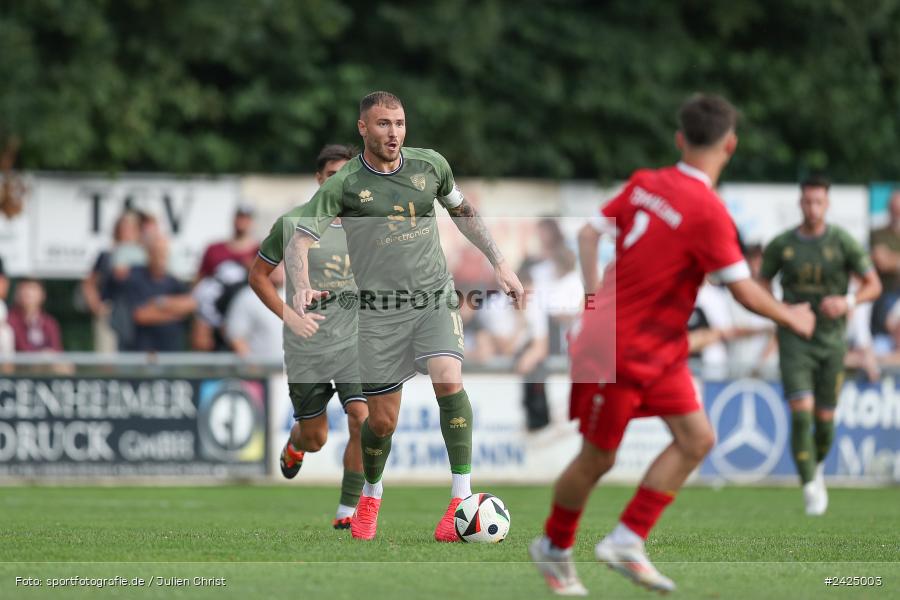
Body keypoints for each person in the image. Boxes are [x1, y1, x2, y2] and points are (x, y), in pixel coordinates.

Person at [530, 94, 816, 595]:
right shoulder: (709, 211)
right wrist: (792, 315)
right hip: (617, 346)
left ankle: (625, 539)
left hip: (657, 347)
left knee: (697, 438)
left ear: (681, 139)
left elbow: (589, 234)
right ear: (731, 144)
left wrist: (595, 296)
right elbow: (744, 291)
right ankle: (553, 548)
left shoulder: (646, 182)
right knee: (599, 458)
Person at [288, 91, 523, 542]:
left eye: (399, 123)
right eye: (382, 124)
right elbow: (299, 241)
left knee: (448, 379)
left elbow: (464, 212)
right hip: (378, 313)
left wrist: (500, 262)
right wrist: (300, 284)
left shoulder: (430, 165)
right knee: (381, 423)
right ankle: (371, 495)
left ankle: (460, 498)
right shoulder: (344, 184)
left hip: (434, 297)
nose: (393, 132)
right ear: (363, 128)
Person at [249, 143, 368, 529]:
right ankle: (295, 444)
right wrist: (290, 316)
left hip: (354, 342)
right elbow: (258, 277)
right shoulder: (292, 223)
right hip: (307, 346)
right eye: (333, 175)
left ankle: (347, 511)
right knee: (315, 438)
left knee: (362, 419)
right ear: (319, 179)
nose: (340, 182)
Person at [761, 176, 881, 516]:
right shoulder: (782, 244)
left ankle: (815, 468)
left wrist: (847, 301)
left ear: (827, 205)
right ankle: (810, 486)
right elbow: (758, 284)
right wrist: (782, 311)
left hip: (831, 340)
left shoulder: (842, 242)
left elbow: (872, 285)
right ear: (800, 203)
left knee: (825, 421)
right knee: (801, 415)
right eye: (807, 201)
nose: (812, 208)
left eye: (818, 202)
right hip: (795, 338)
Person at [81, 210, 146, 351]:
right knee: (108, 356)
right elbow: (89, 284)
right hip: (111, 311)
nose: (126, 232)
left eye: (130, 228)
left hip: (139, 313)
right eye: (123, 228)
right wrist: (97, 306)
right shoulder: (106, 256)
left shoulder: (145, 257)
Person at [126, 235, 197, 352]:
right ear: (149, 254)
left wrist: (160, 303)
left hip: (171, 351)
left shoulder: (174, 282)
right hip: (145, 351)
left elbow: (190, 304)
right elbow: (141, 315)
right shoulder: (137, 279)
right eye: (157, 252)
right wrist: (174, 314)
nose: (160, 257)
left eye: (163, 252)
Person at [226, 263, 285, 364]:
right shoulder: (247, 297)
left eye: (283, 265)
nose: (278, 269)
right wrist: (254, 369)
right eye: (274, 264)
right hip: (263, 372)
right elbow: (236, 337)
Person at [197, 204, 260, 279]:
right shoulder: (214, 249)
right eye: (240, 217)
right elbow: (201, 277)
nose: (242, 221)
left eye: (246, 218)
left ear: (251, 222)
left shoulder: (258, 252)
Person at [869, 190, 900, 334]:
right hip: (887, 292)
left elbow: (887, 260)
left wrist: (891, 257)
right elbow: (882, 262)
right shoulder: (878, 233)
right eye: (894, 207)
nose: (897, 211)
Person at [8, 279, 63, 352]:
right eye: (24, 289)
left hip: (49, 361)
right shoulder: (10, 320)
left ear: (42, 294)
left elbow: (57, 350)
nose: (28, 293)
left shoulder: (50, 323)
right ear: (17, 294)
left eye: (33, 289)